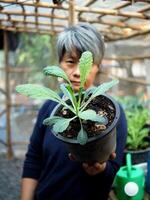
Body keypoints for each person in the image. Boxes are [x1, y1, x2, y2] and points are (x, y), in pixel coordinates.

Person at [21, 23, 127, 200]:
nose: (78, 72)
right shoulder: (49, 107)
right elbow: (33, 159)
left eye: (87, 63)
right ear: (59, 63)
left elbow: (114, 170)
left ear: (97, 66)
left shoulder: (112, 112)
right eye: (70, 61)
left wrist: (101, 169)